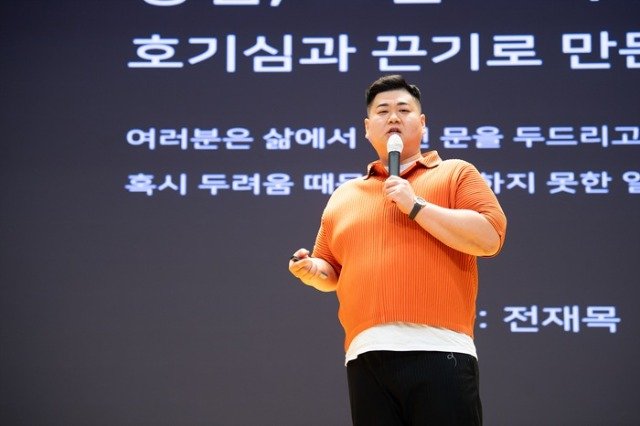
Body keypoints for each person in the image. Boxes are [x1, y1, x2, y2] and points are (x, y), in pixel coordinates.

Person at [288, 74, 507, 425]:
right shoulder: (344, 195)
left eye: (403, 110)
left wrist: (416, 205)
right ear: (367, 128)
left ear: (422, 123)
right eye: (382, 111)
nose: (393, 117)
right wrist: (313, 270)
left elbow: (490, 236)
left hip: (440, 348)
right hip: (365, 355)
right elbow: (331, 270)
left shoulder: (455, 173)